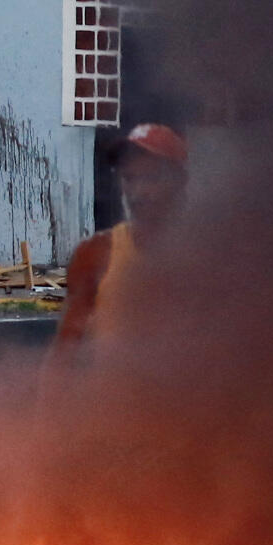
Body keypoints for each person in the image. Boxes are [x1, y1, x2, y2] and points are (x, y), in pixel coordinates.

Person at [52, 123, 189, 364]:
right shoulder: (96, 255)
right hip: (113, 399)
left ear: (180, 181)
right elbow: (65, 356)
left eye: (151, 178)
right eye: (129, 178)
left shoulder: (205, 257)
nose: (138, 191)